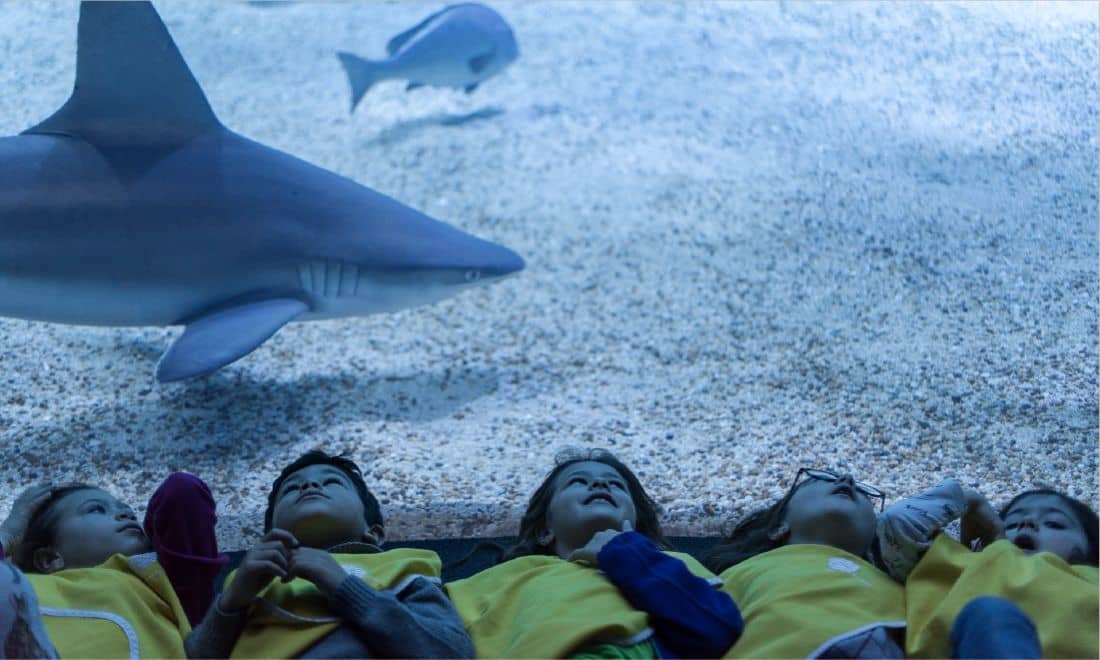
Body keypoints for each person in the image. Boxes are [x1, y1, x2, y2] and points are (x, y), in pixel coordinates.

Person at [445, 448, 743, 658]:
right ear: (544, 529)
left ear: (637, 523)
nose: (600, 484)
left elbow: (714, 629)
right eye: (578, 482)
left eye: (616, 485)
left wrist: (625, 552)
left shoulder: (672, 565)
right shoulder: (509, 577)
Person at [185, 449, 474, 658]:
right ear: (266, 534)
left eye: (332, 482)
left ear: (373, 533)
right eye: (292, 489)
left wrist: (345, 587)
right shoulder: (248, 580)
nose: (310, 485)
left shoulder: (402, 567)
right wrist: (230, 603)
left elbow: (450, 652)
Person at [0, 472, 224, 657]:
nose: (125, 513)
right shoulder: (24, 588)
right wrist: (8, 533)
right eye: (96, 508)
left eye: (125, 508)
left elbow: (183, 492)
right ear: (49, 559)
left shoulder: (164, 585)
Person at [877, 480, 1098, 658]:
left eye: (1055, 523)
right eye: (1010, 523)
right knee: (990, 615)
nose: (1027, 522)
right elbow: (897, 523)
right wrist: (970, 501)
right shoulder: (963, 563)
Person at [702, 467, 906, 658]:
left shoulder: (902, 583)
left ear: (872, 538)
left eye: (864, 493)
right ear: (778, 527)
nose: (847, 479)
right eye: (822, 478)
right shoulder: (740, 573)